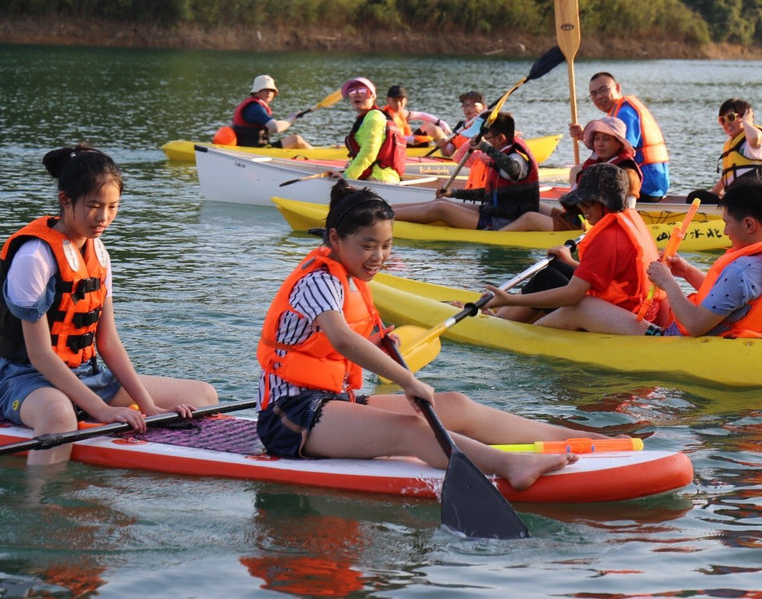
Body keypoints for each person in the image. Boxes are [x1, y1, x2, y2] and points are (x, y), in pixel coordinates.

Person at [255, 180, 597, 490]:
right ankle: (512, 466)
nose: (378, 257)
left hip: (334, 403)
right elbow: (342, 339)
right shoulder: (319, 280)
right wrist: (407, 380)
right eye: (368, 246)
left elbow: (328, 347)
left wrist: (377, 344)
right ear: (334, 239)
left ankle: (582, 439)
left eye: (386, 246)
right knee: (414, 428)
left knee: (455, 406)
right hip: (290, 416)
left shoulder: (350, 277)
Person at [0, 145, 219, 466]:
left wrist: (148, 406)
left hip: (86, 374)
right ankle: (38, 508)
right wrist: (101, 409)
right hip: (25, 379)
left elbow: (107, 341)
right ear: (65, 200)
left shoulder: (99, 253)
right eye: (94, 206)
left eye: (113, 207)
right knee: (58, 419)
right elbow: (39, 355)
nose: (104, 217)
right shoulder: (33, 257)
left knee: (202, 396)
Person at [559, 180, 762, 337]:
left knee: (581, 307)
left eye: (727, 223)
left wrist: (668, 282)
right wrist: (687, 271)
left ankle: (524, 336)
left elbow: (696, 325)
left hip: (673, 341)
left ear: (750, 224)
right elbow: (731, 301)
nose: (724, 232)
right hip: (741, 333)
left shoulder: (742, 270)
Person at [484, 163, 665, 329]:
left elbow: (573, 295)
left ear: (606, 203)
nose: (582, 209)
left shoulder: (607, 238)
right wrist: (570, 262)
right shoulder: (628, 219)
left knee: (545, 279)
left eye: (587, 203)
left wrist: (510, 299)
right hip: (634, 308)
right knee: (557, 266)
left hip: (620, 317)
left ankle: (496, 322)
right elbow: (610, 278)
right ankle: (504, 313)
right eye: (580, 203)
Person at [390, 112, 540, 230]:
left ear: (500, 139)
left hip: (503, 223)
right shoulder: (503, 153)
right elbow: (491, 194)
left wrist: (484, 147)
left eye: (486, 139)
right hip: (493, 213)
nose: (482, 142)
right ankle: (384, 209)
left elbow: (514, 169)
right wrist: (455, 193)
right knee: (442, 201)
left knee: (440, 208)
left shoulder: (516, 157)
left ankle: (383, 216)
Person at [502, 116, 643, 232]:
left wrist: (591, 226)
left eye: (606, 139)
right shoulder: (597, 163)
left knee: (529, 218)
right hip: (579, 217)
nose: (599, 144)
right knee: (533, 205)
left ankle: (495, 237)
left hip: (590, 225)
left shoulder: (627, 172)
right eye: (597, 139)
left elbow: (628, 211)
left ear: (619, 144)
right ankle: (493, 228)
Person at [573, 72, 669, 201]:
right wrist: (584, 136)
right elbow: (609, 149)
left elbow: (621, 153)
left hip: (645, 186)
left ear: (617, 88)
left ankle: (576, 212)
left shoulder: (625, 113)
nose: (599, 96)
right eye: (594, 94)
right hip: (654, 186)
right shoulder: (617, 112)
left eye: (603, 90)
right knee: (580, 171)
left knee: (577, 172)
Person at [687, 98, 762, 205]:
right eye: (722, 120)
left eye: (731, 117)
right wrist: (713, 194)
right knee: (696, 198)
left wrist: (747, 123)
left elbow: (755, 139)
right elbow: (728, 177)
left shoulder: (754, 138)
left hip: (757, 200)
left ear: (744, 117)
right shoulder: (732, 144)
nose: (726, 123)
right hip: (738, 200)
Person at [340, 77, 406, 183]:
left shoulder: (374, 117)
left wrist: (347, 176)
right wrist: (349, 165)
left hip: (378, 179)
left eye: (362, 91)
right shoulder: (367, 117)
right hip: (379, 177)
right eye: (352, 92)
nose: (357, 94)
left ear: (372, 96)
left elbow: (369, 152)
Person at [230, 74, 312, 150]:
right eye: (264, 89)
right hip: (256, 151)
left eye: (271, 90)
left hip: (254, 148)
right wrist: (291, 119)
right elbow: (275, 127)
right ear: (256, 92)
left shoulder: (251, 105)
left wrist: (291, 118)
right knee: (296, 139)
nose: (268, 92)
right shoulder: (255, 108)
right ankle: (318, 160)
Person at [383, 84, 450, 148]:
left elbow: (421, 115)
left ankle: (448, 146)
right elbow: (392, 137)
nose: (398, 104)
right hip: (400, 145)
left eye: (401, 100)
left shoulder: (403, 113)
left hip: (409, 141)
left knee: (430, 124)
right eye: (395, 101)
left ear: (406, 100)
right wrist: (412, 139)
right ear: (388, 100)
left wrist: (441, 122)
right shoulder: (385, 116)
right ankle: (448, 151)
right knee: (435, 130)